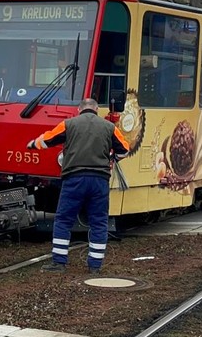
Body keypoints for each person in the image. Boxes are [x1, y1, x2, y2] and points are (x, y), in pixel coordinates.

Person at [26, 98, 130, 272]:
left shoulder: (68, 124)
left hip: (74, 178)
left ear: (79, 109)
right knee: (99, 222)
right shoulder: (109, 127)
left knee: (63, 220)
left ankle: (59, 263)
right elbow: (124, 150)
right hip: (99, 180)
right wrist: (112, 159)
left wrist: (32, 144)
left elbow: (48, 140)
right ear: (97, 109)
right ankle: (95, 266)